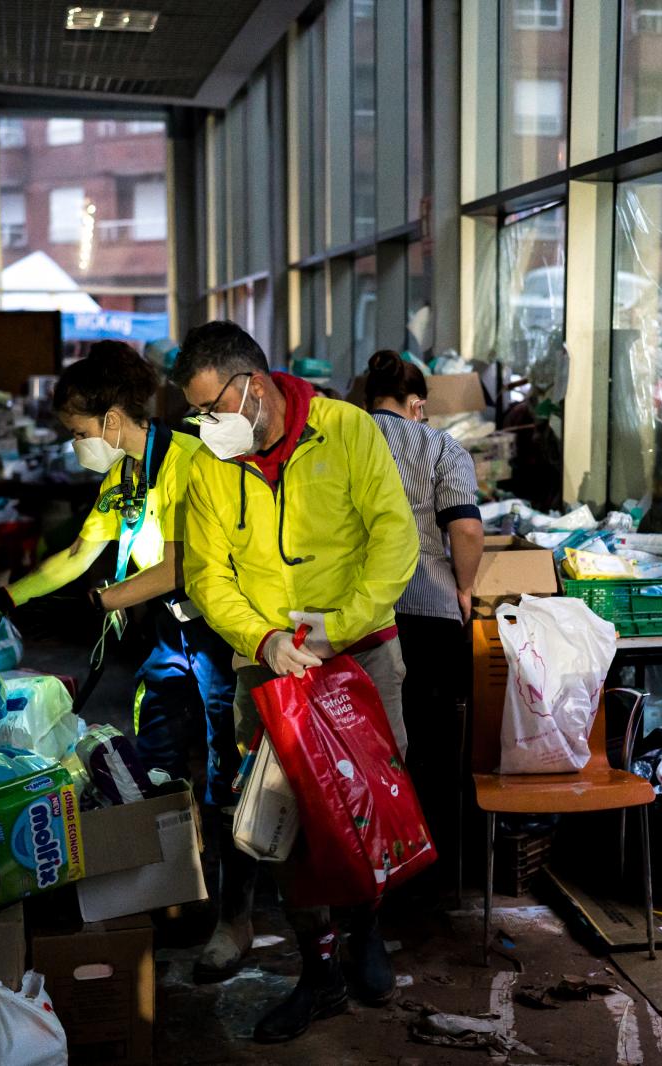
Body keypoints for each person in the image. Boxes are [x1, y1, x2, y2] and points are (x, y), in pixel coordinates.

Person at [173, 321, 419, 1043]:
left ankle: (365, 933)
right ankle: (318, 972)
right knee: (279, 823)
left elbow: (393, 537)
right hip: (269, 662)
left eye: (211, 409)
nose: (204, 426)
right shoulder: (208, 462)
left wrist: (339, 627)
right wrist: (264, 638)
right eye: (195, 415)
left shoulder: (346, 432)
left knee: (370, 806)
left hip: (358, 650)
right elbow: (206, 573)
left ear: (252, 386)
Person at [0, 340, 238, 903]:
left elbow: (184, 564)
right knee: (155, 759)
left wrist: (104, 602)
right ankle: (167, 887)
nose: (75, 442)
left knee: (221, 764)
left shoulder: (189, 460)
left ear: (111, 420)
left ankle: (230, 895)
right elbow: (77, 555)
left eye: (78, 430)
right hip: (165, 633)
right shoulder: (123, 477)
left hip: (216, 633)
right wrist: (2, 601)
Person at [362, 350, 482, 857]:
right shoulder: (441, 446)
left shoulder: (347, 439)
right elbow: (467, 528)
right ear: (415, 404)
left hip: (360, 613)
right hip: (430, 610)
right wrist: (465, 585)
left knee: (365, 744)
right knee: (431, 745)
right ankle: (426, 861)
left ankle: (371, 856)